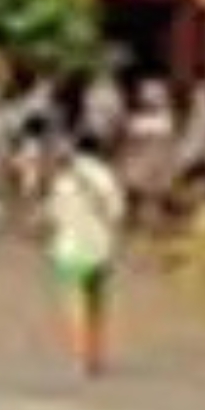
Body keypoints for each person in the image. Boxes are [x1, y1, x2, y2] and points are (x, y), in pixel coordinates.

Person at [41, 133, 130, 378]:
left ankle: (84, 357)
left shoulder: (64, 179)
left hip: (70, 248)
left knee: (75, 306)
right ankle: (97, 352)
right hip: (101, 247)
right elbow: (117, 212)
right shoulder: (108, 177)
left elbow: (54, 214)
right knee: (97, 304)